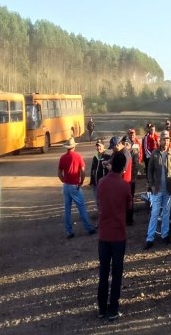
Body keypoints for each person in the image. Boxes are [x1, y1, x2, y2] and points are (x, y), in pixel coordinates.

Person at [96, 152, 132, 321]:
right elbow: (128, 207)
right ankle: (113, 308)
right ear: (123, 167)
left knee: (103, 272)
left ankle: (101, 308)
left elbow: (98, 203)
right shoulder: (124, 186)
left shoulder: (101, 183)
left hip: (104, 234)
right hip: (118, 234)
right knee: (116, 273)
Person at [144, 130, 171, 249]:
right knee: (154, 213)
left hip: (168, 190)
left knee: (166, 214)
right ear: (160, 140)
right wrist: (152, 185)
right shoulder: (154, 154)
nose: (166, 141)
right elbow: (150, 171)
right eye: (164, 139)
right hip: (157, 189)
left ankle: (165, 235)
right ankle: (150, 238)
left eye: (168, 139)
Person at [58, 137, 96, 238]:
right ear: (74, 146)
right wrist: (81, 182)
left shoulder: (63, 157)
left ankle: (69, 231)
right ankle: (89, 228)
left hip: (66, 185)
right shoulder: (78, 157)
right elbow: (82, 172)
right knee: (82, 208)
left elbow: (59, 173)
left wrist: (63, 180)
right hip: (75, 185)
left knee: (67, 209)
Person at [90, 140, 110, 210]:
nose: (98, 147)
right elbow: (92, 170)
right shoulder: (95, 157)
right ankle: (101, 214)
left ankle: (106, 214)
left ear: (104, 146)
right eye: (97, 146)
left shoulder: (107, 157)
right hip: (95, 184)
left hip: (103, 184)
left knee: (104, 201)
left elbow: (109, 171)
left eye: (100, 146)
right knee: (97, 201)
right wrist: (91, 181)